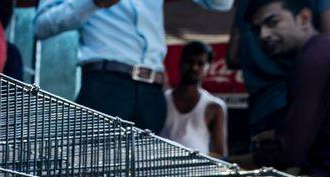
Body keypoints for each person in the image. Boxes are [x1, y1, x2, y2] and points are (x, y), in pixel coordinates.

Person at [34, 0, 233, 132]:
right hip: (106, 85)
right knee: (96, 176)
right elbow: (41, 25)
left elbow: (222, 3)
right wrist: (93, 3)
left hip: (152, 92)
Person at [231, 0, 330, 177]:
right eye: (257, 28)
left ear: (303, 18)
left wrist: (232, 162)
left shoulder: (313, 60)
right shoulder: (321, 50)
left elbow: (290, 152)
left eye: (272, 22)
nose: (263, 35)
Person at [161, 42, 228, 156]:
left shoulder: (214, 107)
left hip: (198, 172)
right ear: (181, 62)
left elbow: (220, 155)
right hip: (161, 170)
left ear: (208, 67)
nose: (194, 67)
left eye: (200, 63)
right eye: (189, 61)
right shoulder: (162, 100)